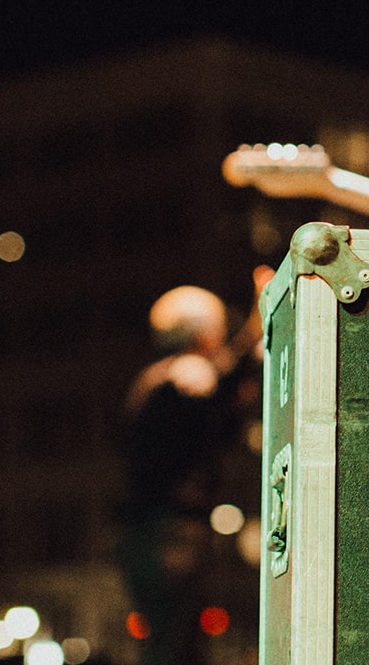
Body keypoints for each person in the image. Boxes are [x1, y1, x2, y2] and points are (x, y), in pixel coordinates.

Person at [116, 281, 262, 665]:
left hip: (151, 533)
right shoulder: (186, 372)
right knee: (176, 646)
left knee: (169, 642)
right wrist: (255, 329)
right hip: (171, 534)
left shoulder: (153, 381)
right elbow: (221, 383)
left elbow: (218, 419)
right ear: (203, 332)